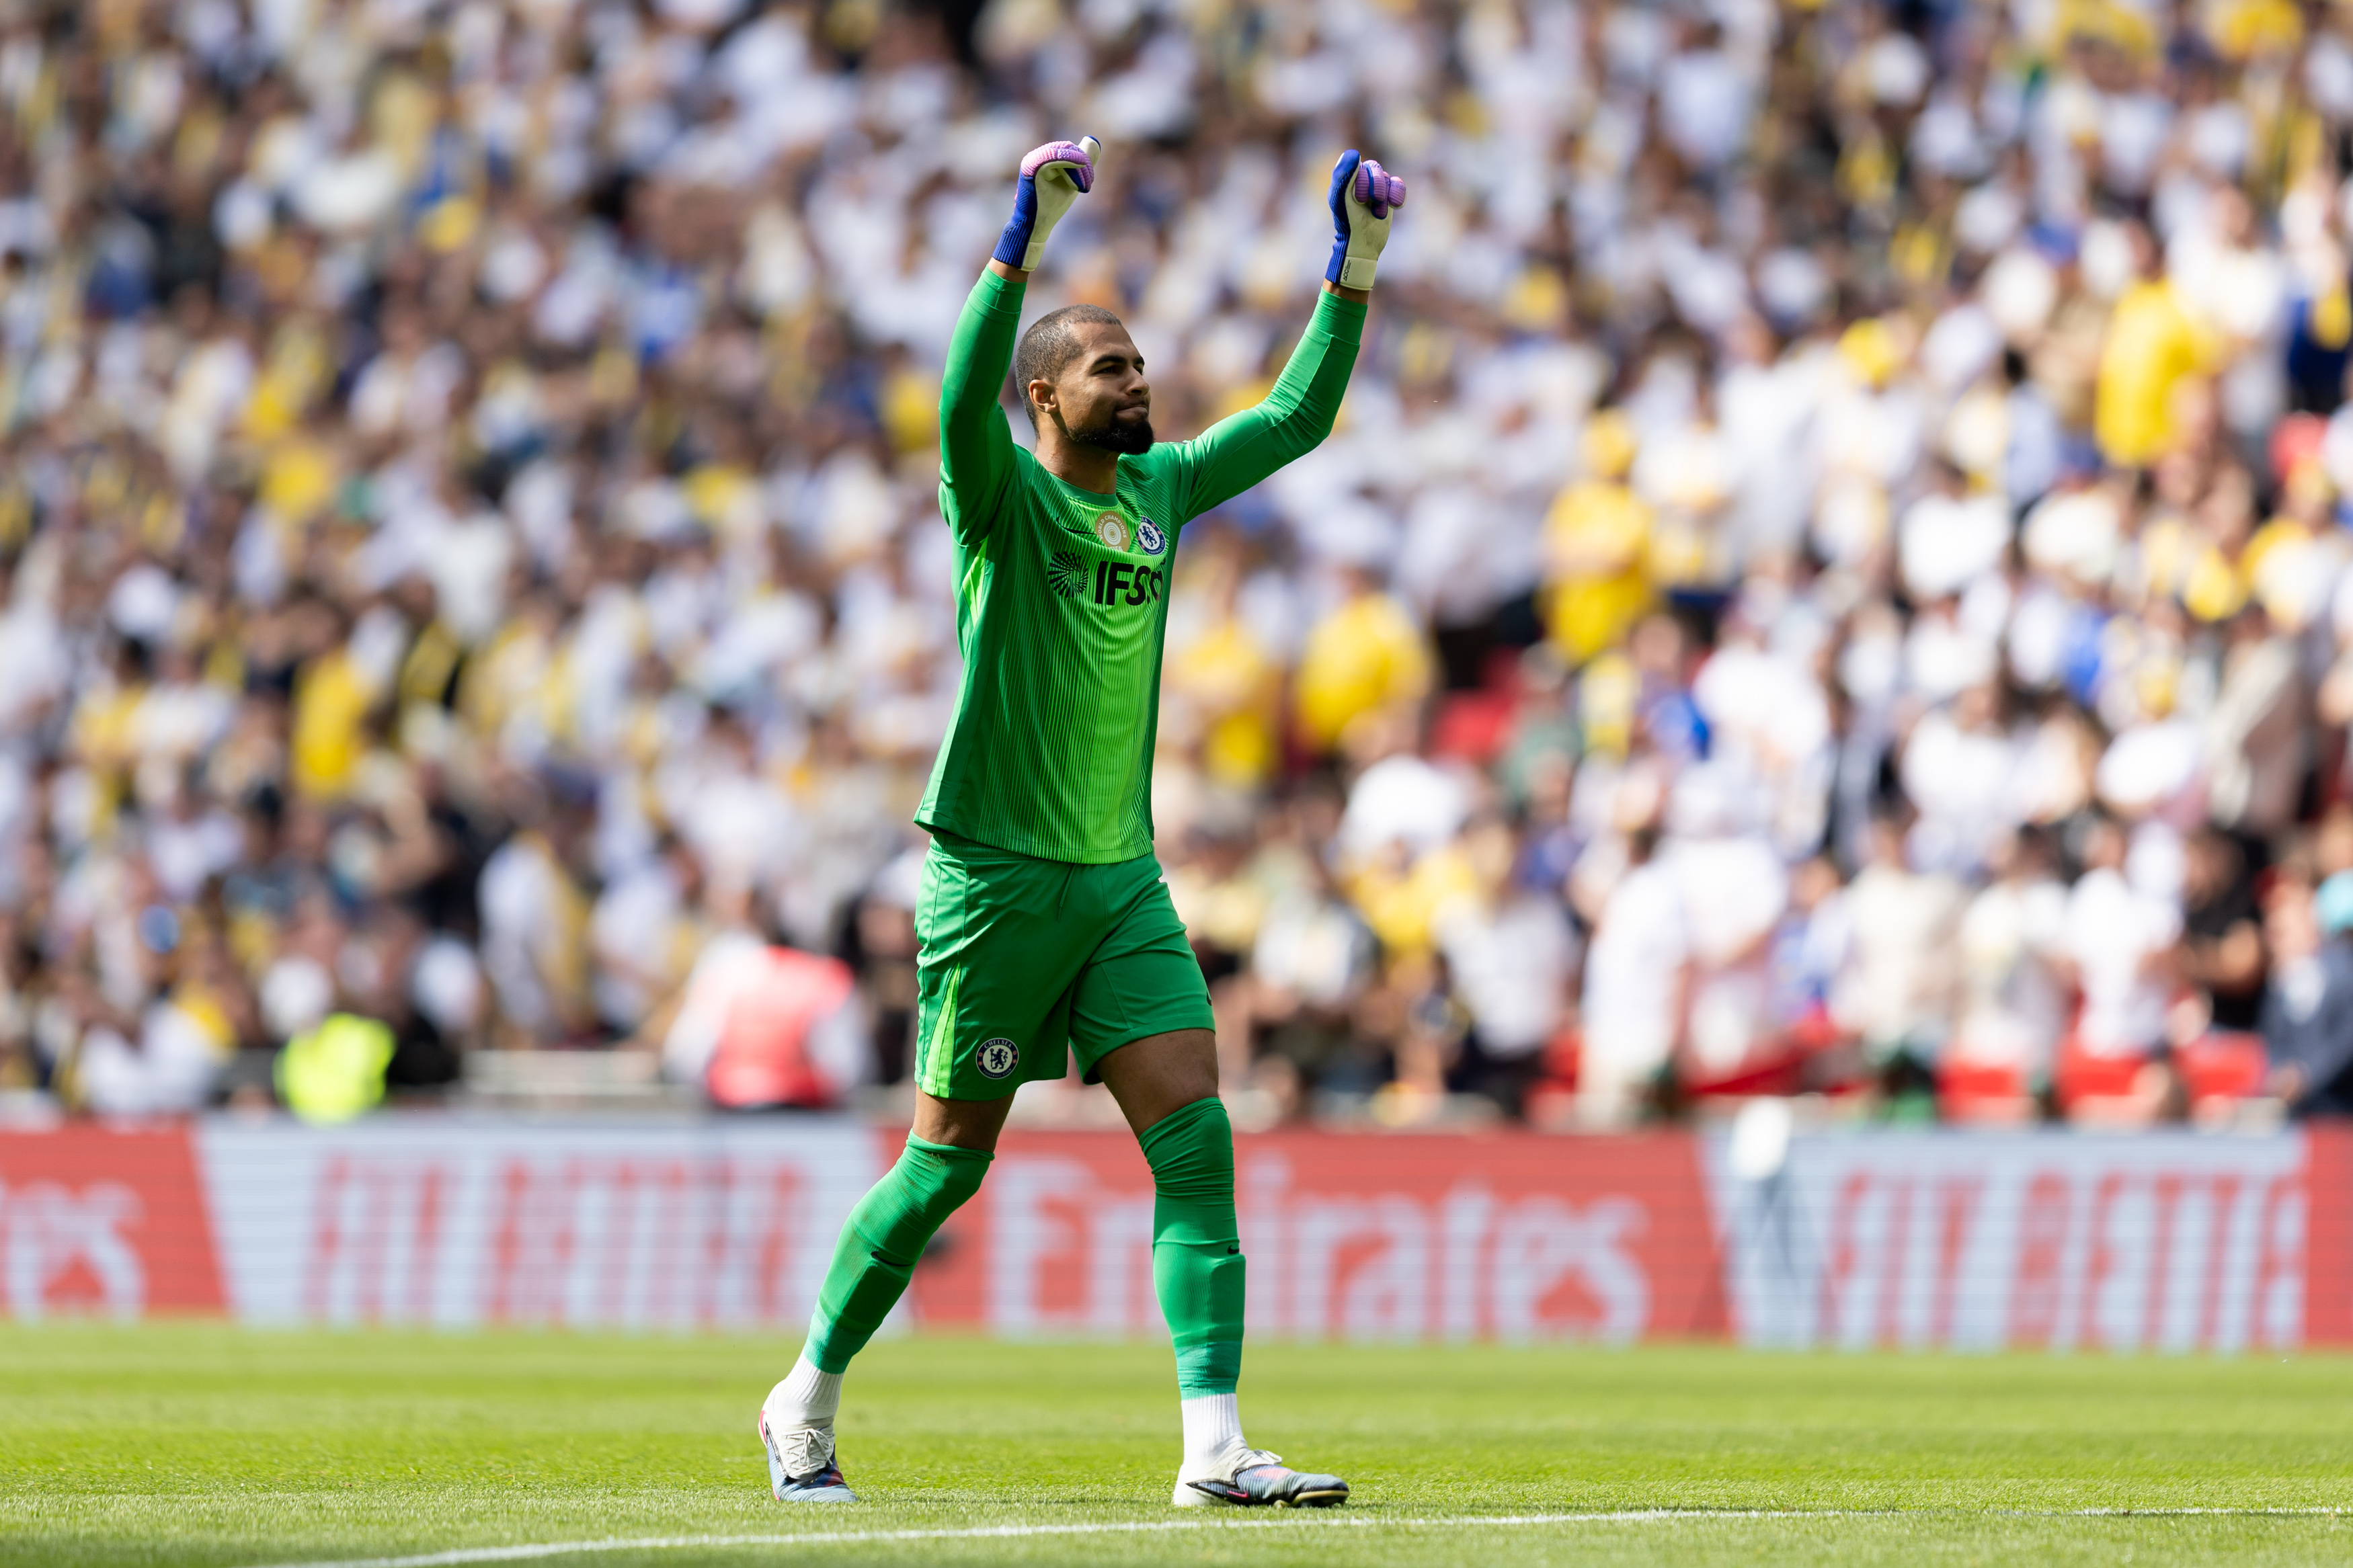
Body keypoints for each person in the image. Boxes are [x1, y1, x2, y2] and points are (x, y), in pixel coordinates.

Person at [753, 135, 1402, 1508]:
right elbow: (948, 408)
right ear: (1044, 395)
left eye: (1140, 363)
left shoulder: (1159, 493)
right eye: (1112, 367)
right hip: (994, 881)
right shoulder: (1002, 499)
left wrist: (1354, 272)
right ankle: (802, 1390)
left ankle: (1213, 1446)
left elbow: (1290, 422)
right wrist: (1018, 244)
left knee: (1197, 1138)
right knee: (944, 1170)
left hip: (1119, 883)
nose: (1140, 380)